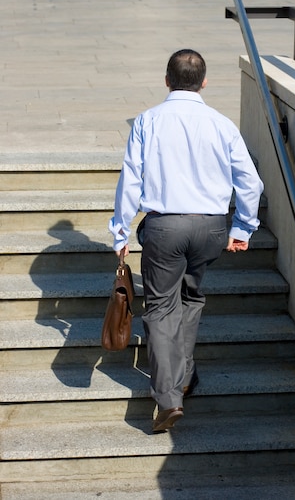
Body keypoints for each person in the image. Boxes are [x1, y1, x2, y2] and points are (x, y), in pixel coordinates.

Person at [109, 49, 264, 433]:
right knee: (191, 298)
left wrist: (121, 230)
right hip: (211, 228)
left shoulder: (148, 120)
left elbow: (131, 179)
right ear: (204, 82)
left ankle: (168, 398)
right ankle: (185, 375)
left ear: (166, 80)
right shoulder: (222, 124)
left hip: (165, 227)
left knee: (161, 308)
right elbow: (251, 181)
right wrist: (242, 228)